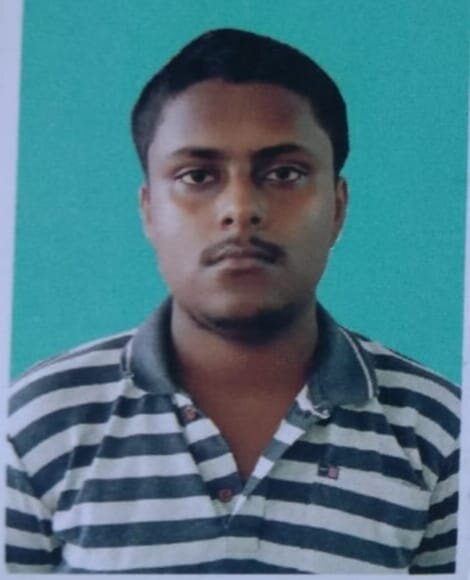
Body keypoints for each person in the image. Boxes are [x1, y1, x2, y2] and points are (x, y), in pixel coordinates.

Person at [6, 28, 460, 574]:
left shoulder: (439, 431)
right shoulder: (38, 421)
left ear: (338, 207)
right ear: (149, 210)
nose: (240, 208)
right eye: (197, 175)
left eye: (285, 173)